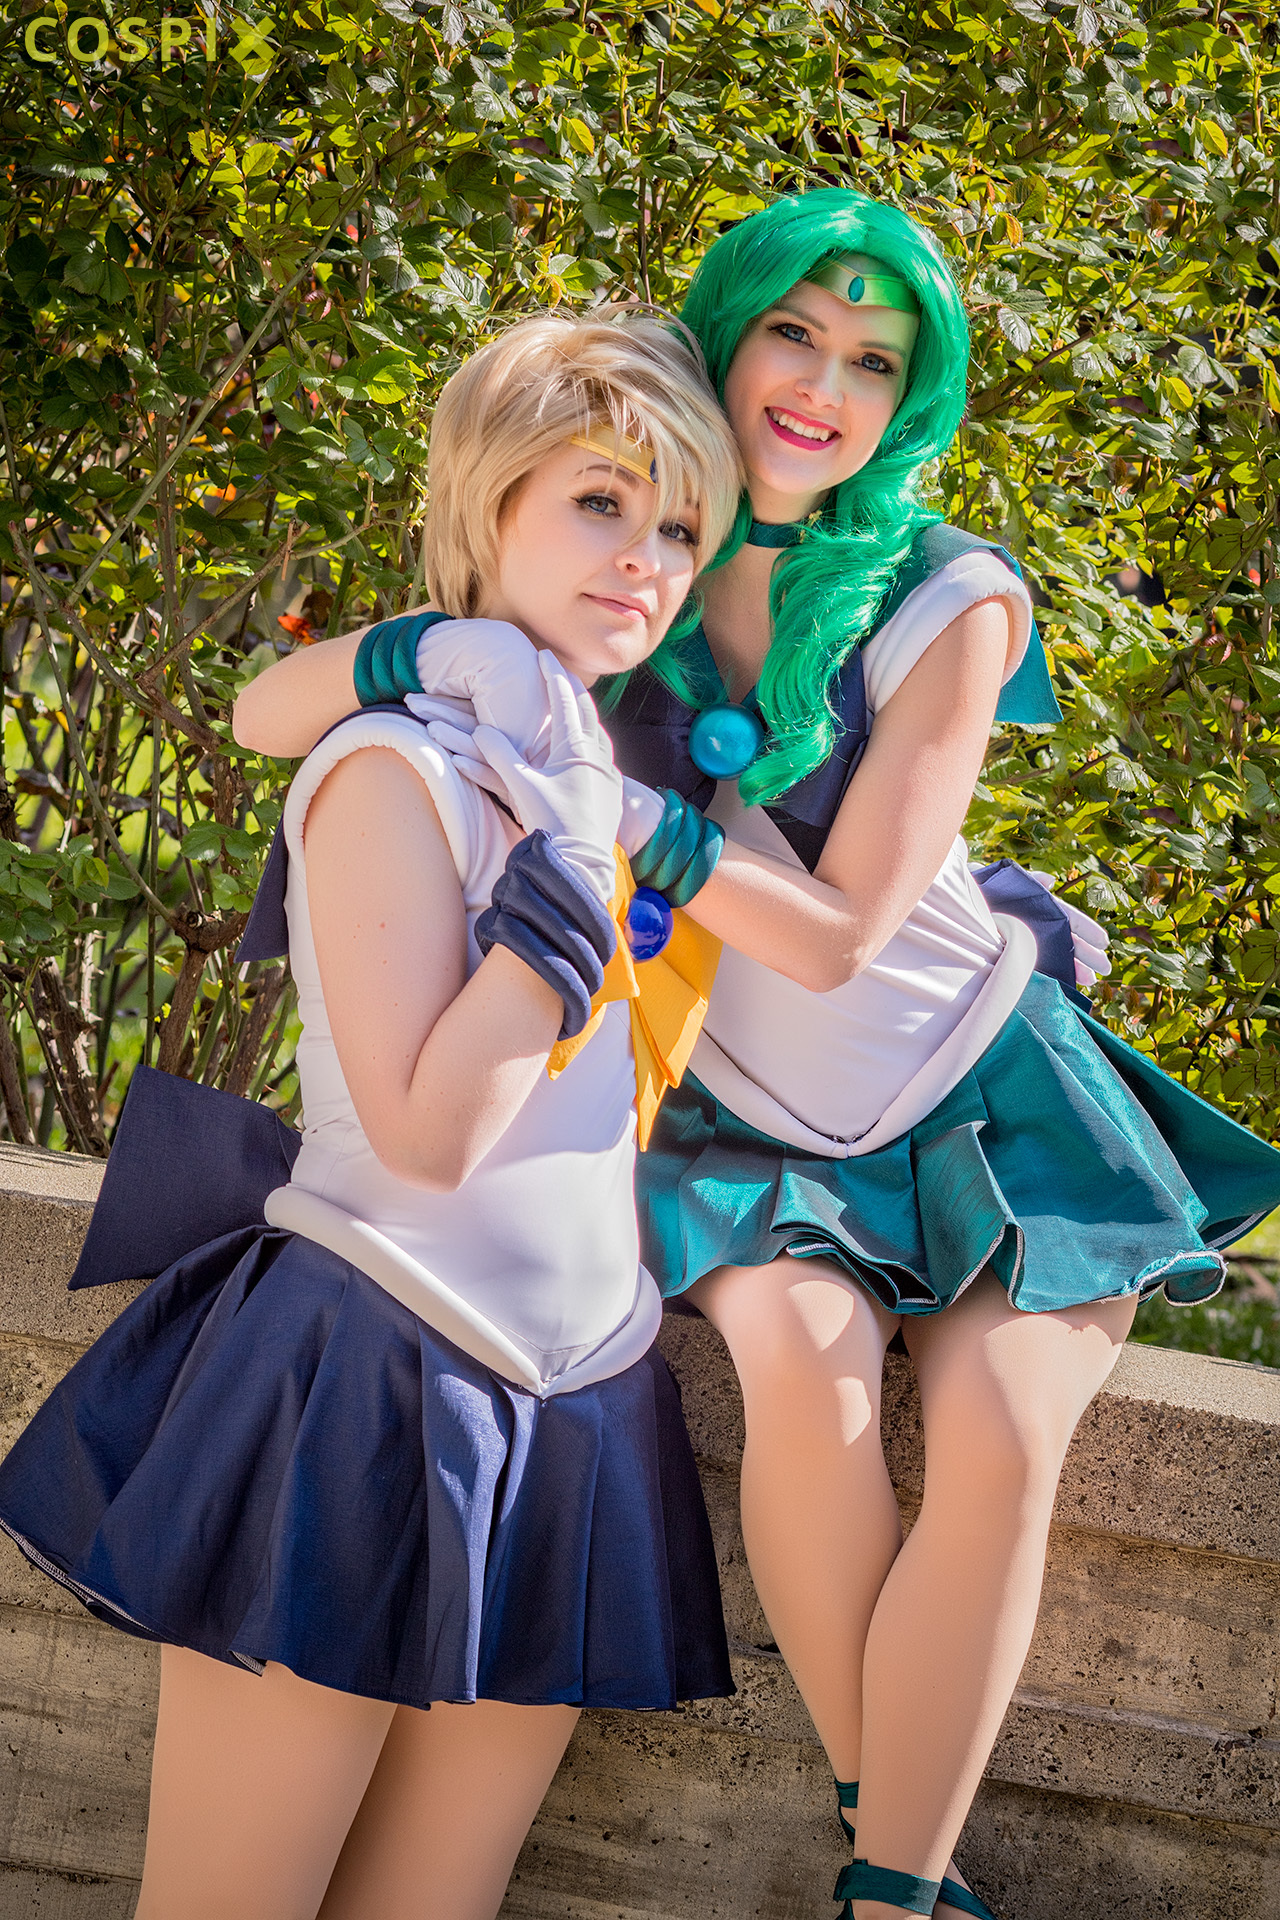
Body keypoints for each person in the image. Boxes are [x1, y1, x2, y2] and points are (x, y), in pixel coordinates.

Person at [232, 191, 1280, 1920]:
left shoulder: (950, 594)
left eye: (875, 360)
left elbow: (845, 931)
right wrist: (435, 648)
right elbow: (276, 718)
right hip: (751, 1119)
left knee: (1004, 1433)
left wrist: (614, 810)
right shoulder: (634, 534)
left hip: (984, 1084)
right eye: (794, 331)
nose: (822, 386)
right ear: (723, 332)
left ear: (910, 399)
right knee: (804, 1375)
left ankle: (895, 1885)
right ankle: (900, 1849)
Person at [0, 313, 744, 1920]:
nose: (647, 557)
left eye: (682, 525)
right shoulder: (394, 768)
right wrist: (568, 880)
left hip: (585, 1401)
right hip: (367, 1373)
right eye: (601, 502)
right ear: (489, 506)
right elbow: (430, 1135)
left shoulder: (596, 775)